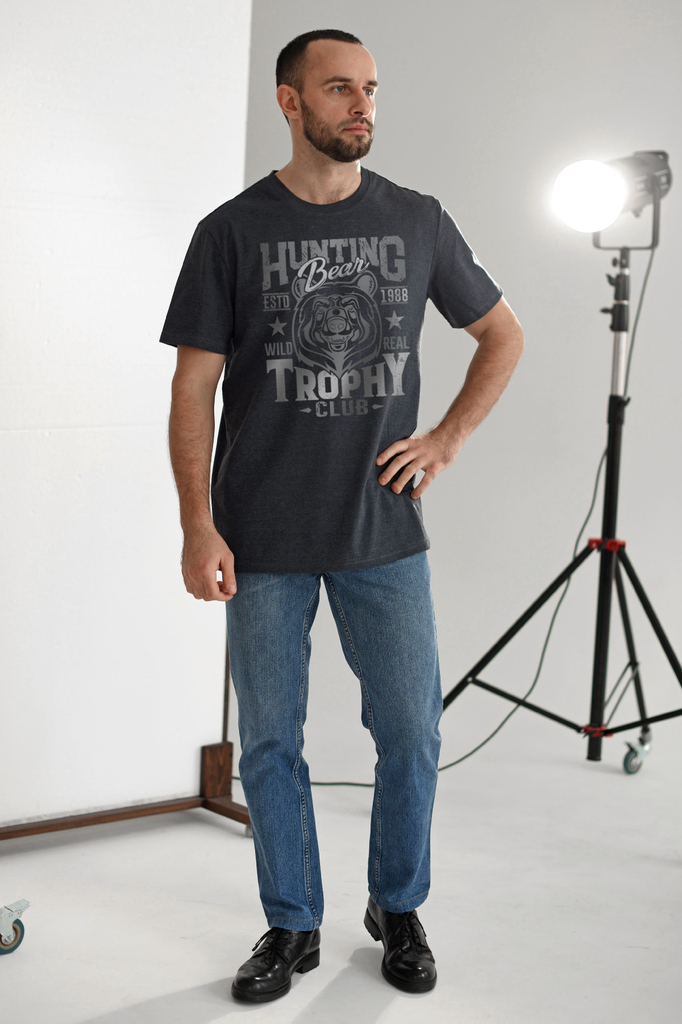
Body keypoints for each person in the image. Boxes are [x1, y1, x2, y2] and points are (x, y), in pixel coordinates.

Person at [160, 28, 524, 1004]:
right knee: (270, 743)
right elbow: (192, 391)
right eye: (337, 89)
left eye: (369, 88)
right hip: (259, 533)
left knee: (410, 732)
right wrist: (197, 524)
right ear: (289, 102)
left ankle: (396, 906)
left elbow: (501, 333)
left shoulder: (417, 219)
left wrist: (445, 439)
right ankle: (291, 922)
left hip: (382, 530)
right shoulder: (231, 231)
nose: (361, 105)